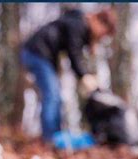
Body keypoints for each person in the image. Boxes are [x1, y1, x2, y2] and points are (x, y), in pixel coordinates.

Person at [21, 8, 116, 141]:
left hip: (40, 55)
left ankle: (55, 136)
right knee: (52, 95)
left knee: (55, 96)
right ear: (98, 21)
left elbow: (74, 49)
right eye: (103, 33)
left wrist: (90, 44)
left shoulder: (78, 24)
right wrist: (84, 75)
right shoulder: (79, 24)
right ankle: (50, 139)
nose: (101, 37)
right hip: (37, 53)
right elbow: (74, 53)